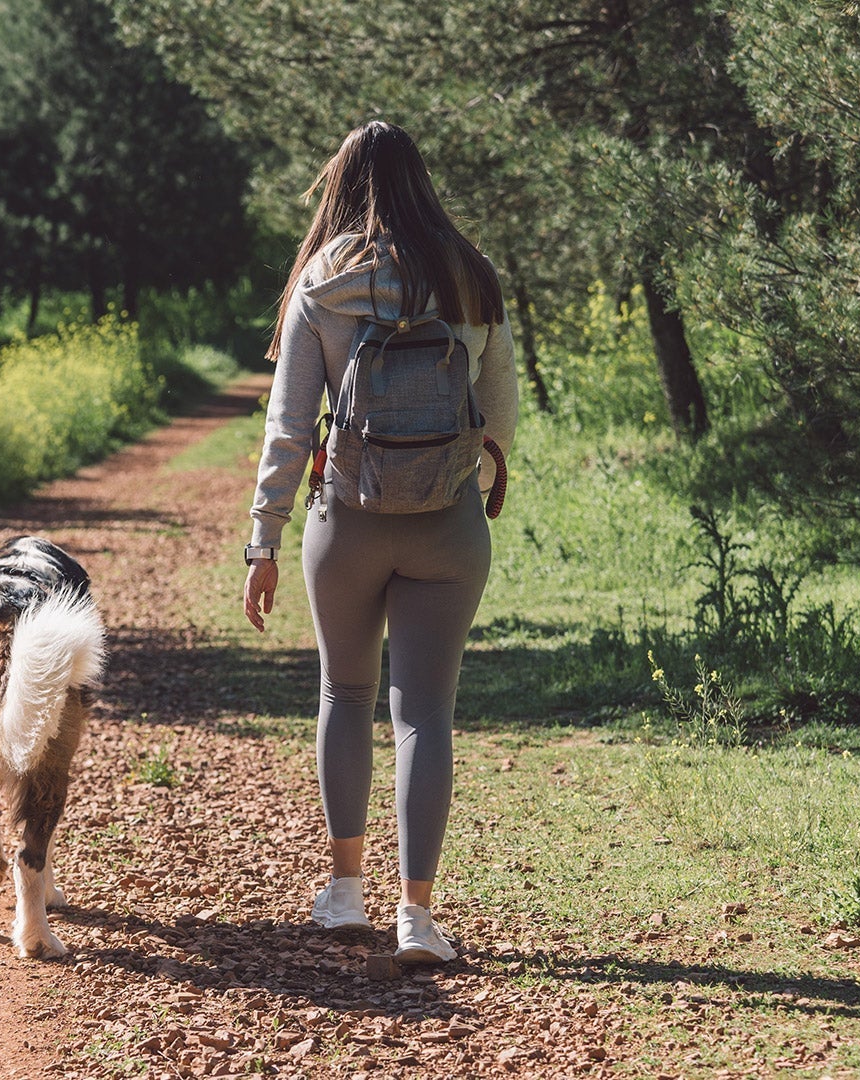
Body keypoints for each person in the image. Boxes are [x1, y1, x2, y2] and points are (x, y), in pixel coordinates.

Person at [242, 120, 517, 964]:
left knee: (346, 696)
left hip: (346, 521)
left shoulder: (325, 279)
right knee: (425, 714)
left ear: (343, 185)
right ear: (421, 181)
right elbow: (499, 413)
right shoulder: (473, 277)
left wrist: (264, 541)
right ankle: (418, 915)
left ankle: (344, 892)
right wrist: (464, 492)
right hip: (447, 527)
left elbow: (289, 427)